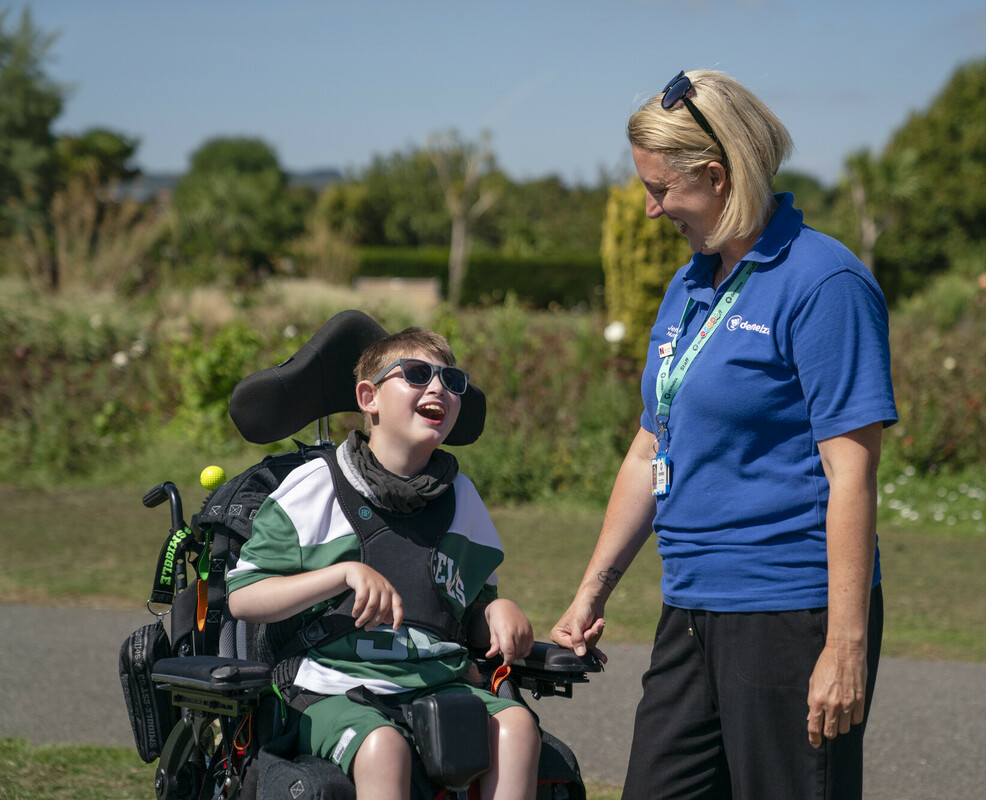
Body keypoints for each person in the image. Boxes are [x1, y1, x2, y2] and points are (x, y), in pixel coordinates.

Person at [552, 69, 897, 799]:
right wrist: (591, 592)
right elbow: (652, 445)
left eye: (661, 190)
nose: (650, 210)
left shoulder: (825, 283)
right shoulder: (690, 284)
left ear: (715, 175)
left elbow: (852, 477)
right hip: (689, 606)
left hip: (788, 613)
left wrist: (845, 646)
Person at [227, 327, 540, 800]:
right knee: (381, 747)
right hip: (330, 685)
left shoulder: (463, 499)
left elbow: (468, 615)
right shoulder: (316, 485)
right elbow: (244, 599)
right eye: (417, 375)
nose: (438, 388)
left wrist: (495, 614)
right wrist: (341, 574)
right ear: (369, 397)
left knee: (517, 726)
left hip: (435, 680)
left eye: (451, 380)